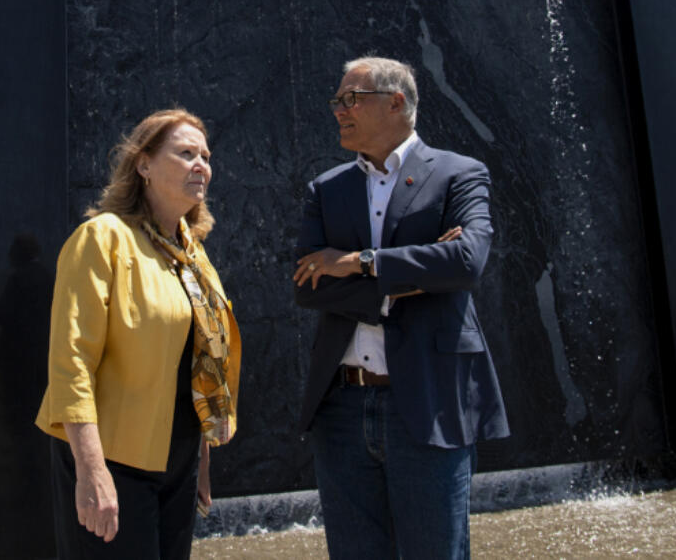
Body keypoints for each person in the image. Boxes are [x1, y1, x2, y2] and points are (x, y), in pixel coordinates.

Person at [292, 56, 509, 559]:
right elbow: (307, 287)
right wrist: (409, 280)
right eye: (337, 101)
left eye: (352, 99)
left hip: (430, 403)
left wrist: (361, 262)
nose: (339, 110)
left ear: (396, 103)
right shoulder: (326, 189)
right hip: (342, 411)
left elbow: (466, 262)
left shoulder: (460, 174)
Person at [36, 108, 241, 559]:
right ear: (143, 164)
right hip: (113, 461)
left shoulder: (193, 256)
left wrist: (202, 460)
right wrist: (91, 470)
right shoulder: (102, 238)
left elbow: (198, 364)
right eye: (185, 153)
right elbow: (71, 361)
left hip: (180, 460)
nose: (201, 165)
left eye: (206, 155)